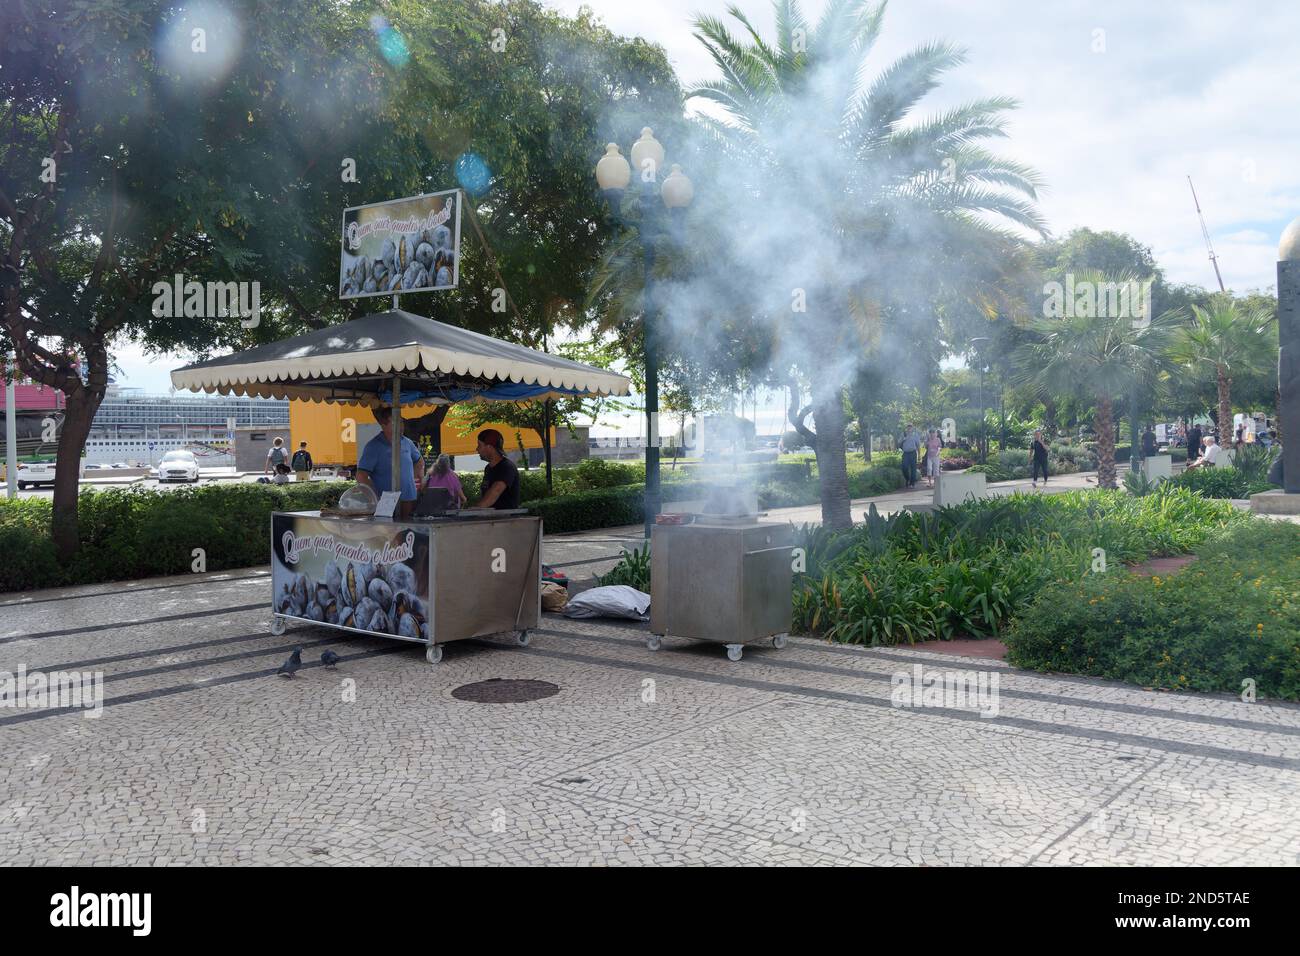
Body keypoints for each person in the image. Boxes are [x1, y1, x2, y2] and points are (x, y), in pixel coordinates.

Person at [356, 407, 424, 518]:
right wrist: (374, 497)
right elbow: (361, 475)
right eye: (395, 423)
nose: (400, 426)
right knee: (388, 528)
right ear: (383, 425)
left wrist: (415, 481)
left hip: (408, 499)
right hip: (386, 502)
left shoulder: (407, 442)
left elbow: (419, 462)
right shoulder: (373, 446)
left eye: (401, 422)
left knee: (408, 527)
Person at [472, 428, 520, 510]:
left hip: (505, 517)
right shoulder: (488, 468)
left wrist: (474, 510)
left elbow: (495, 491)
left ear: (489, 447)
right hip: (492, 517)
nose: (477, 449)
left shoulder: (506, 467)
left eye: (479, 445)